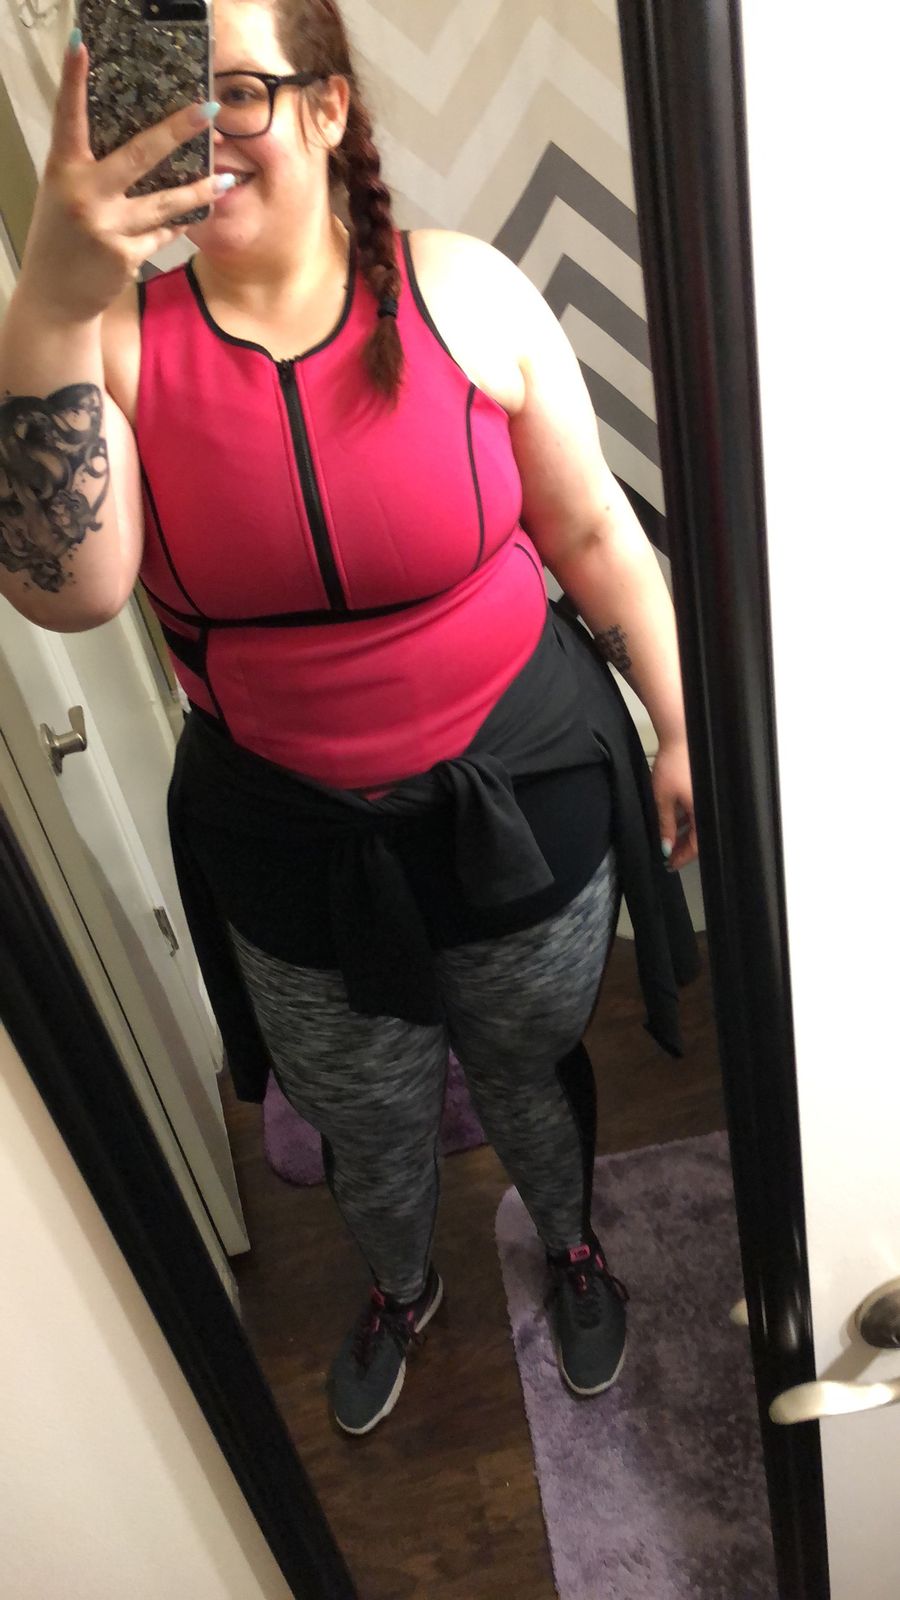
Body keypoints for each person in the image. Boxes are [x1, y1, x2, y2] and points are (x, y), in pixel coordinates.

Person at [0, 0, 699, 1437]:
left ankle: (571, 1244)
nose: (196, 130)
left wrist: (683, 722)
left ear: (327, 108)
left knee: (528, 1059)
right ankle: (400, 1281)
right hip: (287, 838)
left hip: (524, 794)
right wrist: (52, 302)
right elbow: (67, 590)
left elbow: (593, 534)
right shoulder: (110, 345)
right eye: (157, 92)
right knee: (365, 1112)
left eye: (235, 90)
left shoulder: (465, 290)